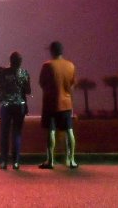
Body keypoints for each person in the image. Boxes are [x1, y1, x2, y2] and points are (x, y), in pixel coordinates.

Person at [38, 40, 78, 169]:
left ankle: (50, 161)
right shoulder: (71, 65)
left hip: (51, 103)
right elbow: (72, 85)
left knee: (51, 131)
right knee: (69, 131)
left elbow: (42, 83)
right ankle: (71, 160)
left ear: (52, 51)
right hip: (66, 103)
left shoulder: (47, 66)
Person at [0, 51, 31, 169]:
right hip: (19, 106)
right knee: (17, 133)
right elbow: (28, 91)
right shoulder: (24, 73)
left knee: (4, 133)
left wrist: (4, 87)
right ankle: (16, 162)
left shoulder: (2, 71)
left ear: (10, 60)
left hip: (5, 105)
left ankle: (4, 161)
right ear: (20, 62)